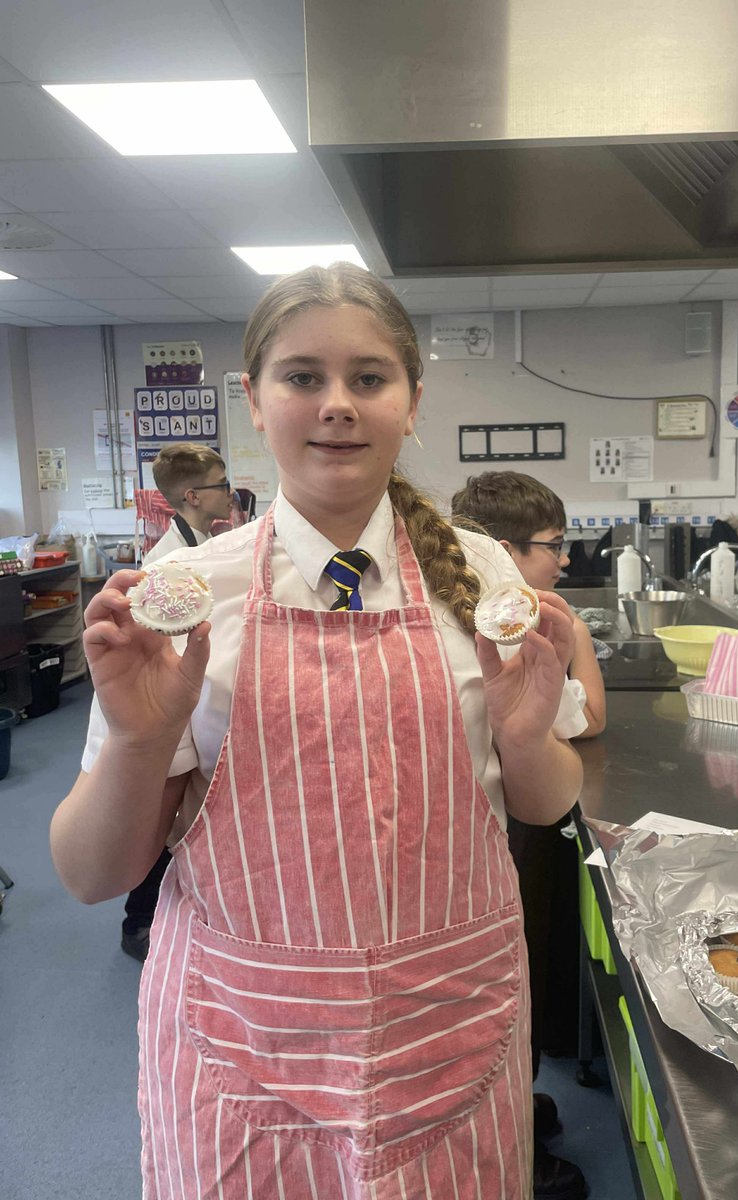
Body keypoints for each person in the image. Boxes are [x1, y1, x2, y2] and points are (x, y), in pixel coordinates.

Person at [50, 263, 588, 1200]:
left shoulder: (485, 571)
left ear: (412, 400)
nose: (337, 404)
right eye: (302, 377)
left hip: (450, 1030)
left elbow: (544, 803)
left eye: (368, 378)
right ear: (255, 402)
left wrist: (531, 735)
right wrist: (141, 743)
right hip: (243, 1048)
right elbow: (93, 875)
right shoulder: (185, 598)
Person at [452, 470, 606, 1200]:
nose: (565, 560)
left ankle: (516, 1107)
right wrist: (573, 637)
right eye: (554, 546)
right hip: (497, 841)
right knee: (506, 1004)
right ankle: (515, 1148)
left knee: (512, 1004)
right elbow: (586, 717)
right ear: (504, 551)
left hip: (503, 832)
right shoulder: (501, 624)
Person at [120, 444, 236, 962]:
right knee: (163, 824)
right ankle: (137, 924)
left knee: (176, 824)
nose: (230, 493)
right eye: (221, 484)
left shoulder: (205, 544)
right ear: (192, 496)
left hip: (191, 699)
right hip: (173, 708)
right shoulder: (166, 563)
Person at [143, 442, 235, 564]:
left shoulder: (202, 539)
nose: (232, 491)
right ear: (194, 497)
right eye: (224, 485)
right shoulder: (170, 563)